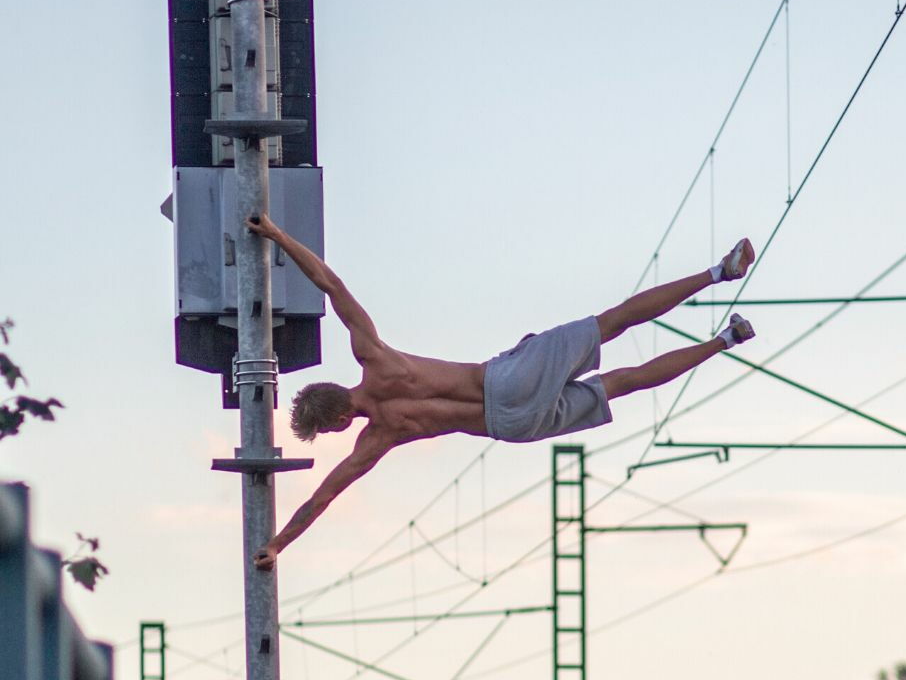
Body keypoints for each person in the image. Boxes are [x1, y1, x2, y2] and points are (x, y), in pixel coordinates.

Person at [245, 214, 756, 570]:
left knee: (622, 383)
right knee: (613, 322)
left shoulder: (376, 440)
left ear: (336, 423)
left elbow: (323, 497)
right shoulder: (374, 359)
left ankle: (724, 341)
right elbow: (330, 284)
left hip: (512, 427)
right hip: (504, 382)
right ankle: (719, 272)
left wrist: (277, 546)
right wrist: (275, 233)